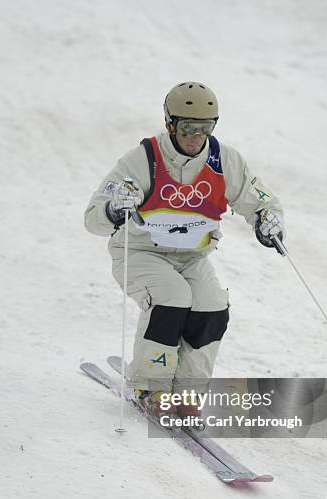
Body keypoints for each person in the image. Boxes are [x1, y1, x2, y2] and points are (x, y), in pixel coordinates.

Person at [84, 81, 284, 418]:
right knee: (172, 298)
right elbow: (93, 219)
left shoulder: (225, 161)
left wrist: (267, 218)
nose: (196, 137)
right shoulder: (143, 160)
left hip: (191, 256)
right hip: (140, 253)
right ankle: (151, 385)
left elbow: (260, 199)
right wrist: (114, 209)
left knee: (212, 305)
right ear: (170, 124)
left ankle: (187, 391)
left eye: (205, 128)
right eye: (188, 127)